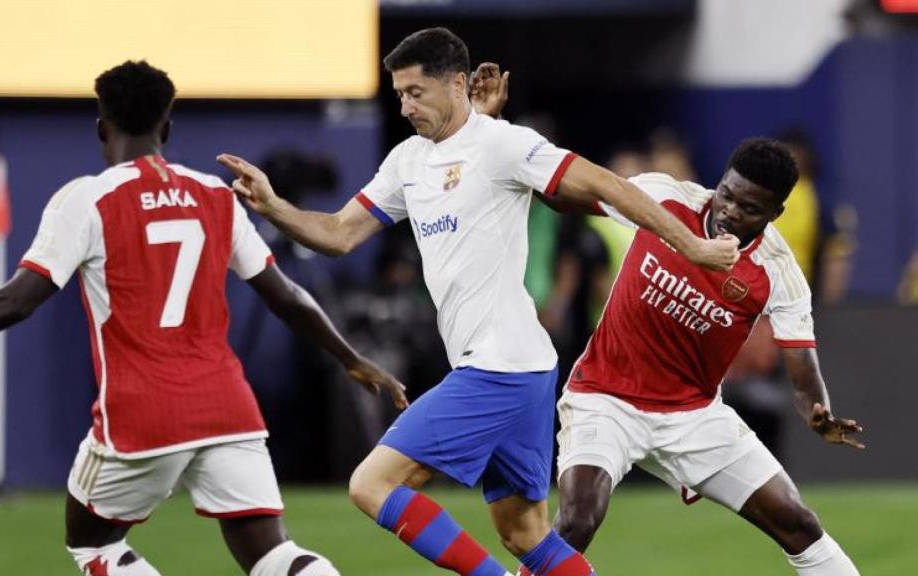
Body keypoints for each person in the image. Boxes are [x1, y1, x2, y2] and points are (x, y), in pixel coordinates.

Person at [218, 28, 739, 576]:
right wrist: (274, 206)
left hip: (501, 368)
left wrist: (695, 247)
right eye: (398, 94)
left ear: (459, 84)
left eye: (416, 92)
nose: (405, 105)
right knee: (524, 533)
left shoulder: (503, 145)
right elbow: (339, 233)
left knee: (371, 484)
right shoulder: (408, 161)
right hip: (519, 367)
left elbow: (610, 186)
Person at [0, 60, 407, 576]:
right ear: (167, 127)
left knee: (91, 542)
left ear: (101, 127)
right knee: (273, 553)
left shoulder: (86, 199)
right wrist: (351, 357)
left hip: (142, 410)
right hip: (226, 405)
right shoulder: (214, 194)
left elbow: (15, 300)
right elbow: (287, 295)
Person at [550, 138, 864, 576]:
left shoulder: (778, 271)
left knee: (799, 523)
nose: (730, 211)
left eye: (750, 208)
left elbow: (802, 372)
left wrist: (818, 410)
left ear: (775, 214)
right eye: (727, 194)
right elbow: (571, 195)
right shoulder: (665, 197)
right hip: (605, 397)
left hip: (693, 417)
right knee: (577, 520)